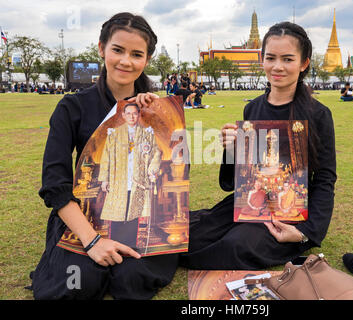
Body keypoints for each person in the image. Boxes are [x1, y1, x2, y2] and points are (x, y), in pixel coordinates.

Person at [30, 12, 178, 300]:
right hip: (86, 216)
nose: (126, 61)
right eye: (118, 50)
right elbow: (54, 183)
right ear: (101, 48)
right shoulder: (72, 107)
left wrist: (160, 119)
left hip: (139, 214)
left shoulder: (157, 110)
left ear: (146, 60)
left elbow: (168, 173)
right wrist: (92, 240)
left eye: (137, 54)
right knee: (79, 281)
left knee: (131, 277)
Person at [180, 21, 337, 270]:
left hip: (290, 211)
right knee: (190, 235)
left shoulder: (318, 114)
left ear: (303, 63)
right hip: (252, 201)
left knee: (236, 246)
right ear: (261, 59)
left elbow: (325, 178)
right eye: (271, 58)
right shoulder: (252, 108)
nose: (277, 67)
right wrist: (230, 149)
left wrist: (306, 232)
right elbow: (236, 180)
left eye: (288, 59)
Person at [99, 103, 161, 247]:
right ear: (123, 115)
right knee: (117, 212)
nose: (132, 117)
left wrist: (152, 171)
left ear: (139, 115)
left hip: (138, 179)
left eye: (135, 113)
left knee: (134, 211)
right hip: (118, 179)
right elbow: (106, 156)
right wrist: (104, 179)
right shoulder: (114, 134)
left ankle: (130, 245)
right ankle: (114, 244)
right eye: (128, 113)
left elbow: (156, 153)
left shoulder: (147, 133)